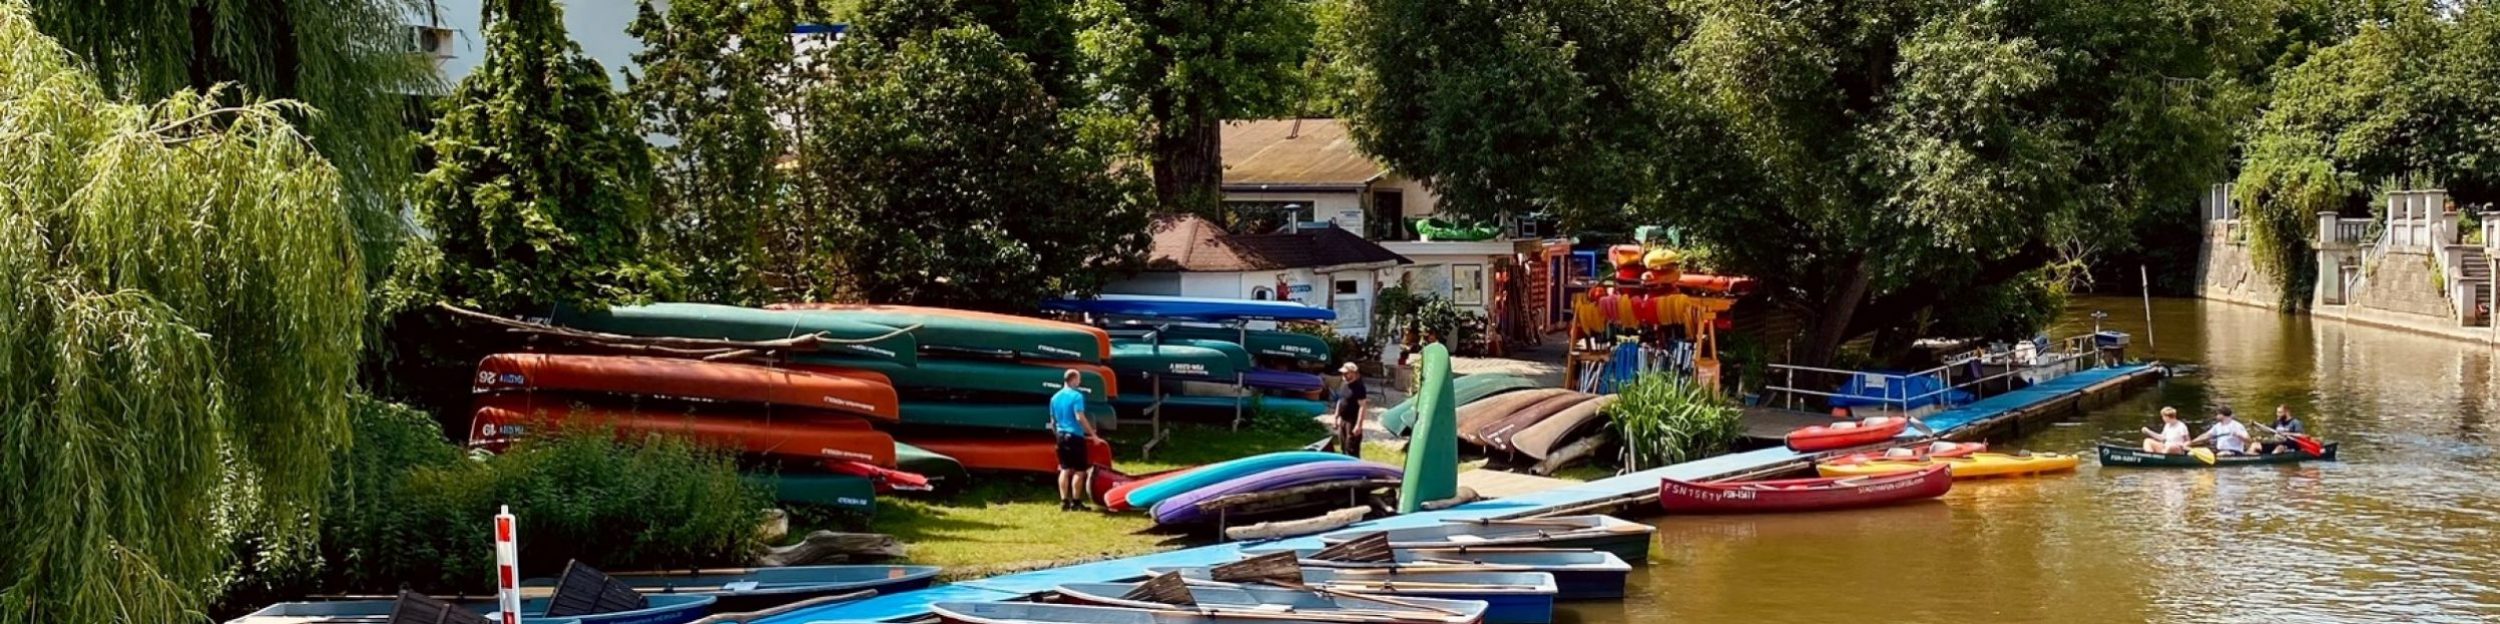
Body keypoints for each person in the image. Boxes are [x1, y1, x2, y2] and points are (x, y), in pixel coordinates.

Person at [1047, 369, 1098, 511]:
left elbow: (1053, 421)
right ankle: (1076, 501)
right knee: (1079, 471)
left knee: (1064, 468)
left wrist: (1057, 435)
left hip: (1061, 436)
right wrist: (1092, 435)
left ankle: (1064, 500)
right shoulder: (1077, 396)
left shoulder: (1054, 398)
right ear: (1073, 379)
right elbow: (1079, 417)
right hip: (1075, 436)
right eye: (1079, 379)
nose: (1080, 382)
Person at [1328, 362, 1370, 456]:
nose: (1344, 375)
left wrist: (1358, 425)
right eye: (1343, 373)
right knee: (1343, 447)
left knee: (1351, 448)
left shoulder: (1359, 387)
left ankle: (1355, 468)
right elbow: (1340, 400)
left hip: (1352, 421)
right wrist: (1336, 418)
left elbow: (1362, 406)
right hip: (1343, 420)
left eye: (1346, 373)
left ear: (1353, 373)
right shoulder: (1344, 384)